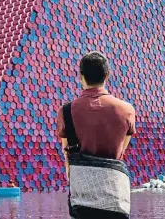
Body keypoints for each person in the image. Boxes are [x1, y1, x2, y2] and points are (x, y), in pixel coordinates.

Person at [57, 51, 136, 219]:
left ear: (81, 75)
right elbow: (120, 151)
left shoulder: (66, 112)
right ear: (107, 75)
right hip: (115, 196)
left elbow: (67, 156)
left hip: (82, 198)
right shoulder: (127, 110)